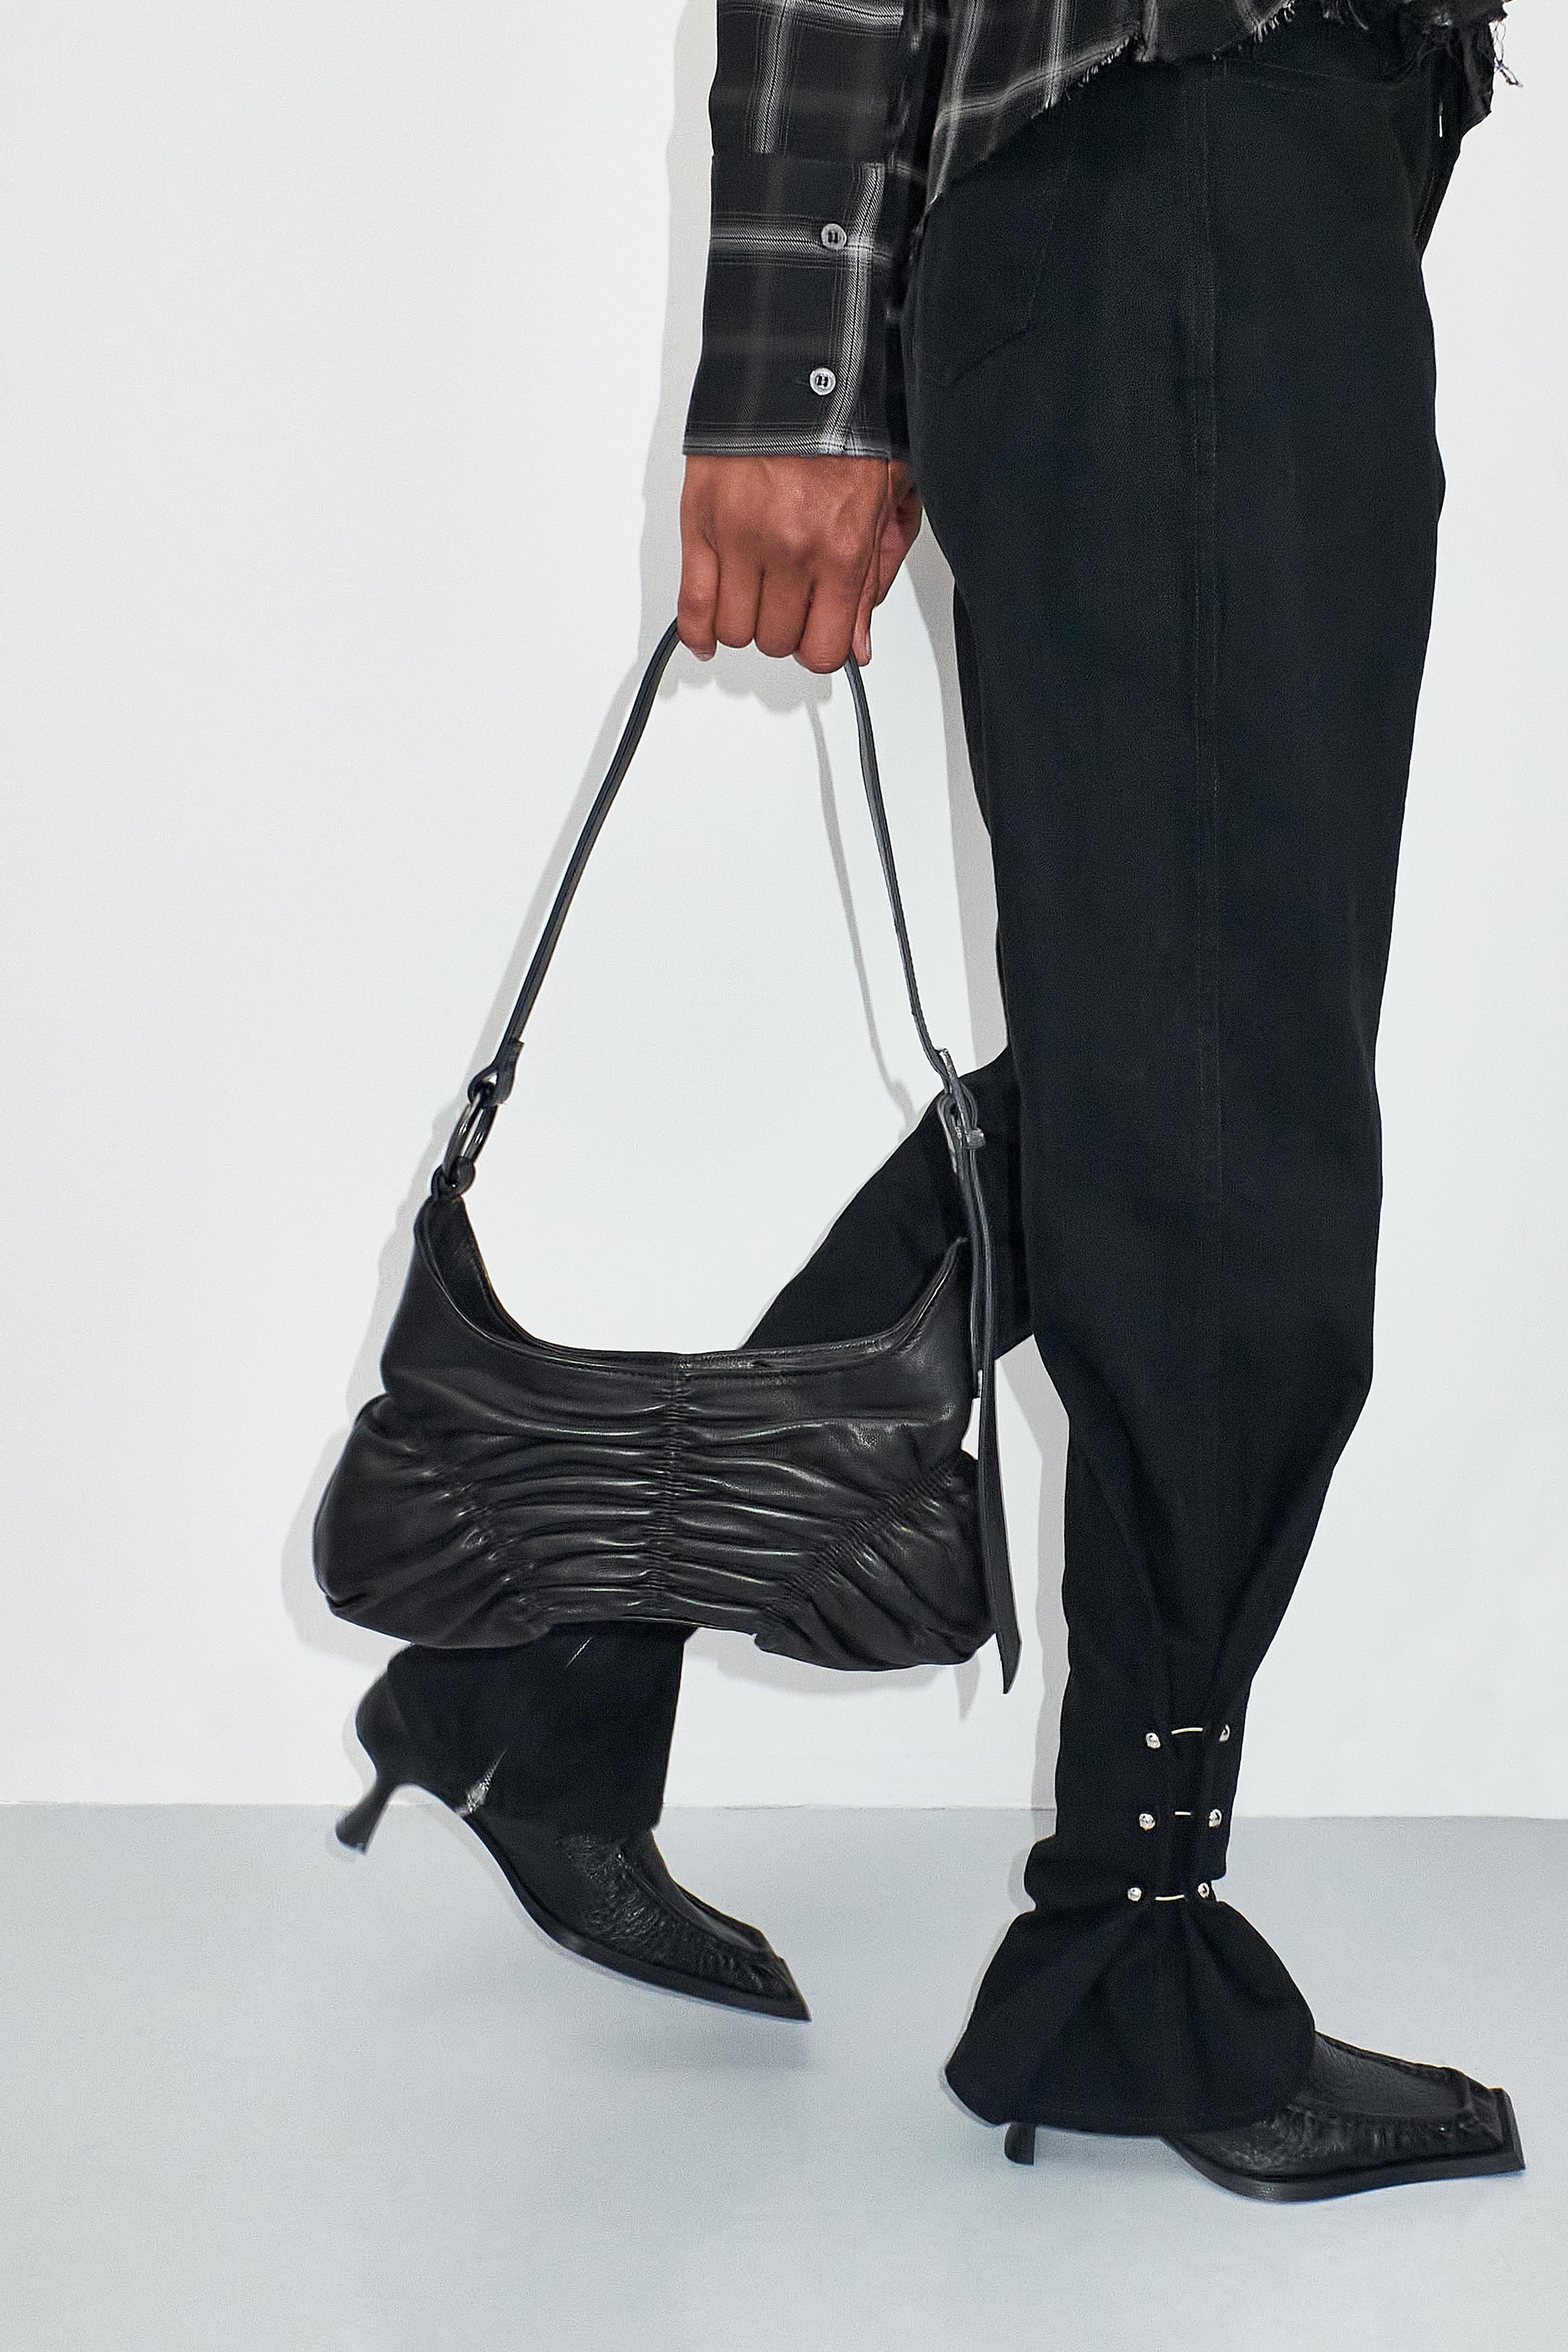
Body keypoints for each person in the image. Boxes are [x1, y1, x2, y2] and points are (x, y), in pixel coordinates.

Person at [341, 0, 1528, 2199]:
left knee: (1172, 1083)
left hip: (1266, 185)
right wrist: (793, 378)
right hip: (1175, 168)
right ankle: (1131, 1954)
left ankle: (565, 1655)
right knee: (1221, 1115)